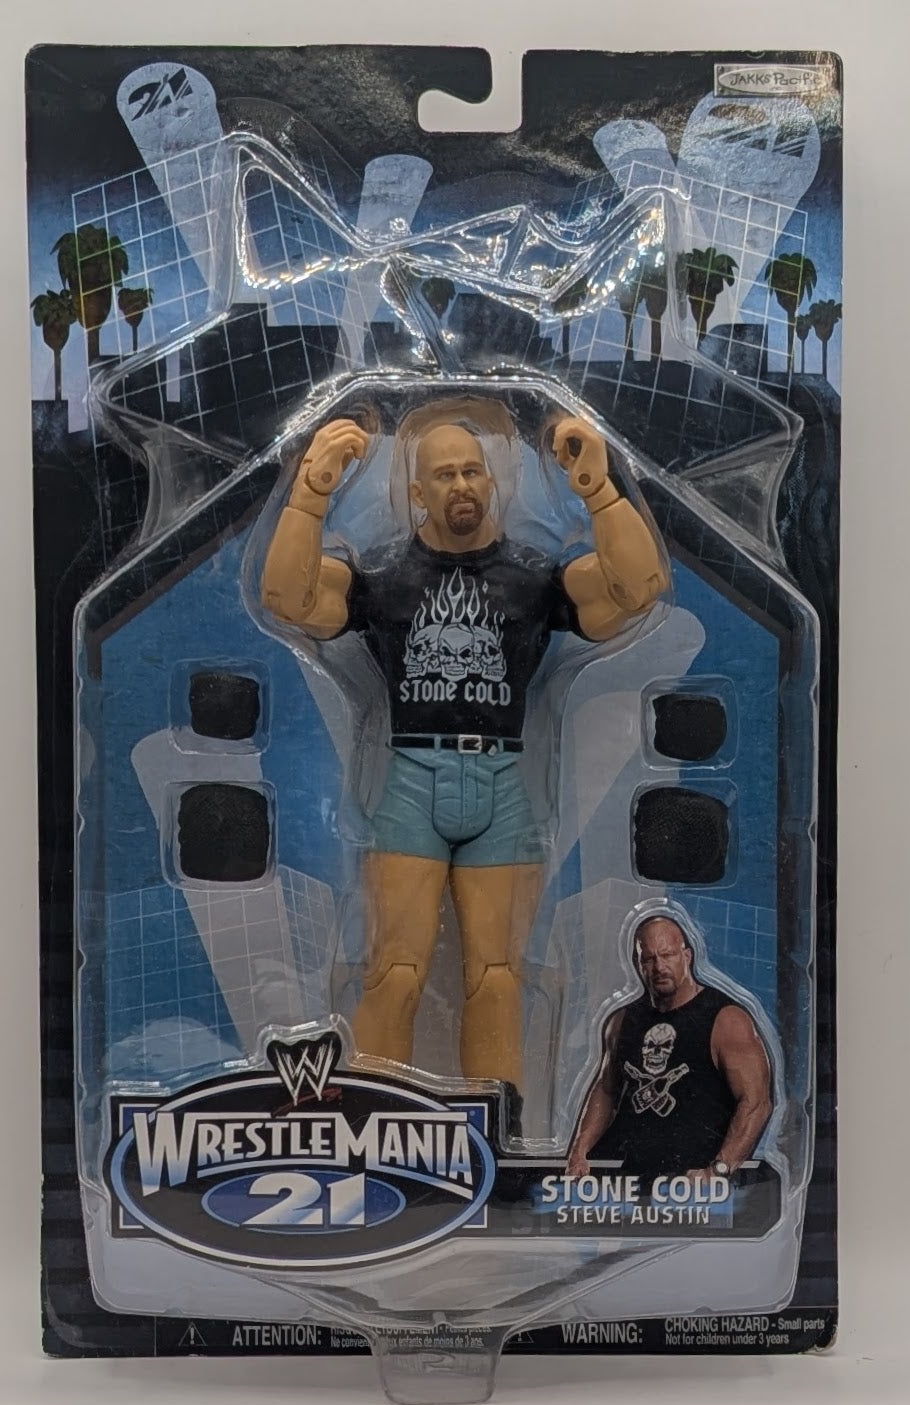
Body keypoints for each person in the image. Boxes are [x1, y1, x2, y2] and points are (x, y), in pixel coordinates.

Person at [260, 400, 667, 1092]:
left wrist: (599, 490)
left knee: (498, 975)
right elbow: (287, 598)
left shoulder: (531, 579)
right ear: (417, 492)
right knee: (394, 969)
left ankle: (495, 1126)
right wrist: (310, 494)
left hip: (501, 780)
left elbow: (637, 590)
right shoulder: (387, 578)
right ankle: (375, 1117)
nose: (461, 486)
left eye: (472, 471)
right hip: (411, 776)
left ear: (492, 480)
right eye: (444, 475)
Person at [565, 913, 772, 1182]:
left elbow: (756, 1103)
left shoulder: (726, 1020)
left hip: (695, 1182)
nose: (659, 966)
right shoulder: (622, 1021)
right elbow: (606, 1089)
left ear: (687, 956)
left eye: (667, 955)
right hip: (631, 1178)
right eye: (649, 958)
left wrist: (719, 1170)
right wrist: (579, 1150)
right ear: (638, 964)